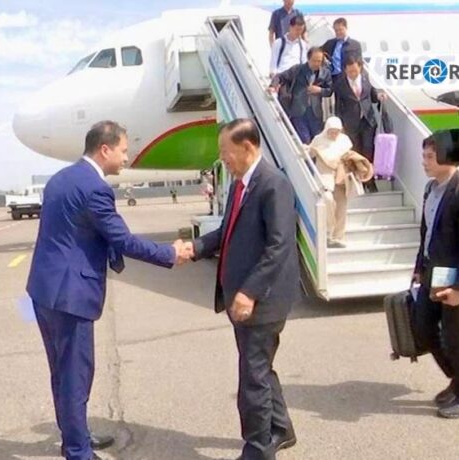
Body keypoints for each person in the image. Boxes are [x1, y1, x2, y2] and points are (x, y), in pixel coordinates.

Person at [26, 121, 193, 460]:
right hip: (70, 295)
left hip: (44, 289)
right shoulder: (95, 188)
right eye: (123, 150)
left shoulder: (60, 179)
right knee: (76, 376)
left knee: (61, 372)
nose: (126, 157)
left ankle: (74, 438)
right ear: (105, 149)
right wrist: (169, 253)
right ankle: (78, 452)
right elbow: (123, 240)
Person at [187, 119, 300, 459]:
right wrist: (194, 248)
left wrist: (249, 291)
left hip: (263, 300)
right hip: (244, 298)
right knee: (260, 368)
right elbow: (227, 231)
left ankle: (257, 450)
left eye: (226, 151)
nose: (223, 158)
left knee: (252, 379)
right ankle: (281, 429)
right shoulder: (241, 185)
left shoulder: (273, 185)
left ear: (247, 147)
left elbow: (279, 246)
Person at [411, 135, 459, 419]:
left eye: (431, 156)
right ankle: (456, 381)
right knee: (423, 328)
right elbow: (426, 231)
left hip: (453, 278)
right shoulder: (431, 188)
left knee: (454, 336)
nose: (424, 162)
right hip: (433, 271)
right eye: (424, 156)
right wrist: (419, 266)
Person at [334, 56, 387, 192]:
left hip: (367, 120)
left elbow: (373, 95)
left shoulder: (366, 78)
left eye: (355, 71)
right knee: (356, 152)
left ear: (360, 68)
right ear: (345, 70)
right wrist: (340, 124)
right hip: (351, 122)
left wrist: (379, 96)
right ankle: (360, 181)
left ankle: (370, 180)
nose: (352, 74)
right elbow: (338, 106)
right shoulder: (340, 84)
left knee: (368, 149)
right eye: (350, 72)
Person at [270, 47, 333, 144]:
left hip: (315, 112)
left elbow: (329, 91)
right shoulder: (298, 69)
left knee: (317, 140)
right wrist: (273, 86)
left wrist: (320, 90)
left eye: (319, 61)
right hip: (299, 111)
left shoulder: (325, 73)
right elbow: (280, 76)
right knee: (304, 140)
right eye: (314, 61)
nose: (317, 64)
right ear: (308, 59)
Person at [308, 117, 353, 248]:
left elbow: (349, 156)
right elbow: (310, 154)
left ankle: (338, 236)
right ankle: (329, 231)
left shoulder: (345, 140)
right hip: (324, 175)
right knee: (328, 199)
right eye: (331, 131)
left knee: (341, 206)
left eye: (337, 132)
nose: (334, 134)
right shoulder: (318, 139)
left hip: (340, 176)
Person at [321, 18, 363, 82]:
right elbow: (317, 52)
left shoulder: (355, 45)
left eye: (340, 30)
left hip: (346, 77)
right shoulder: (329, 43)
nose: (338, 32)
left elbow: (359, 63)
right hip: (331, 77)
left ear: (346, 28)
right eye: (336, 30)